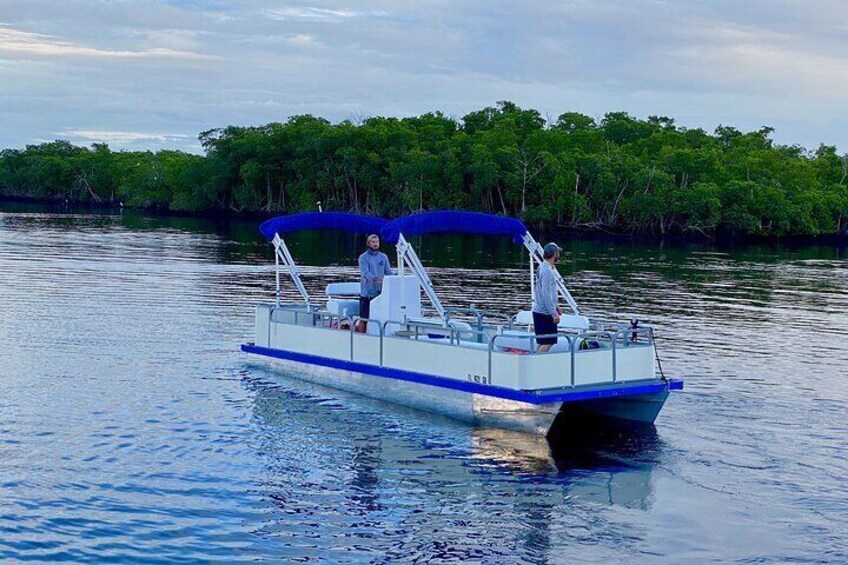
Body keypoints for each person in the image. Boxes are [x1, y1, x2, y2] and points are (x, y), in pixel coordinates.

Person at [356, 234, 393, 333]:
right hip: (367, 293)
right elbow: (365, 272)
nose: (375, 244)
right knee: (364, 318)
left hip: (380, 293)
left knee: (379, 317)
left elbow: (388, 272)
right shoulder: (363, 257)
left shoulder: (383, 257)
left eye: (377, 242)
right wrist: (376, 279)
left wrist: (395, 281)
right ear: (369, 243)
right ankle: (359, 337)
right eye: (373, 242)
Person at [532, 242, 563, 353]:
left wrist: (556, 306)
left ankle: (534, 360)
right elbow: (546, 295)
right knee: (549, 341)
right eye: (558, 253)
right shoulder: (548, 272)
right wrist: (554, 314)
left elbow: (543, 292)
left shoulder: (541, 268)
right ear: (555, 255)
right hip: (545, 313)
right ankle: (535, 362)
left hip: (539, 311)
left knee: (542, 341)